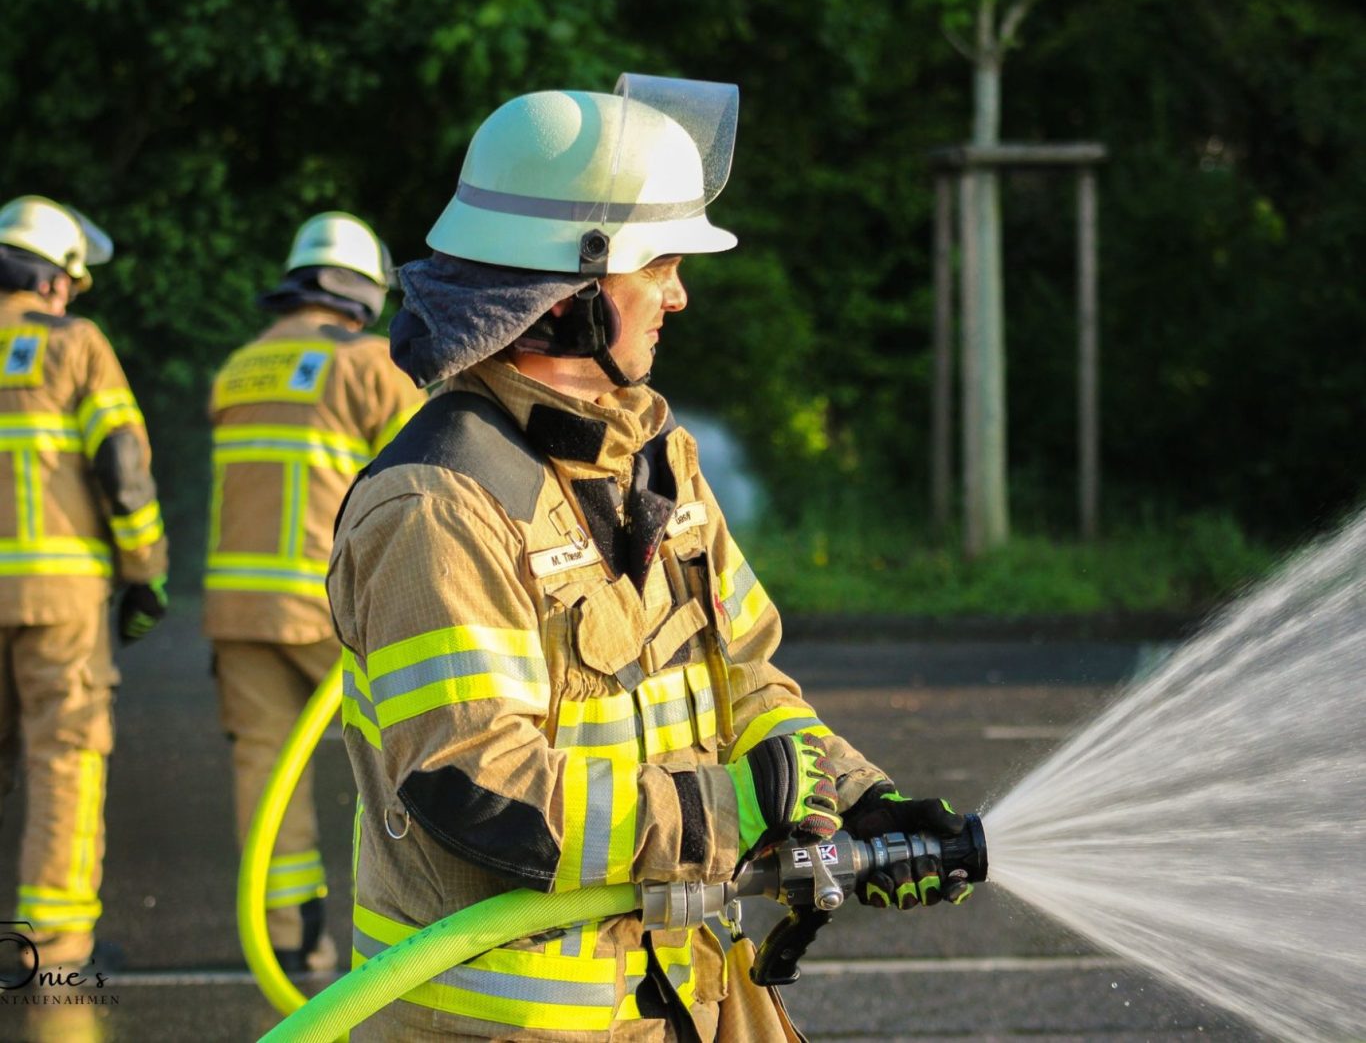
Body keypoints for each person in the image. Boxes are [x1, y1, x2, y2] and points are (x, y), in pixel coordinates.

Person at [327, 75, 971, 1041]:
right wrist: (731, 812)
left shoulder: (656, 459)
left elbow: (745, 678)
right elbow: (479, 785)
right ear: (576, 294)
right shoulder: (437, 506)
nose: (679, 294)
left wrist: (852, 800)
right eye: (661, 265)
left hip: (688, 995)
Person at [203, 213, 424, 973]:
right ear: (363, 292)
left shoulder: (240, 367)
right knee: (408, 761)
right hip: (336, 611)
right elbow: (427, 483)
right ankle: (412, 938)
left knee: (266, 770)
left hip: (239, 608)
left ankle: (290, 937)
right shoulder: (371, 365)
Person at [0, 195, 168, 971]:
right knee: (63, 757)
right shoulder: (74, 343)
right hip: (59, 595)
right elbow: (122, 467)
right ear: (53, 279)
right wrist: (144, 570)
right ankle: (53, 947)